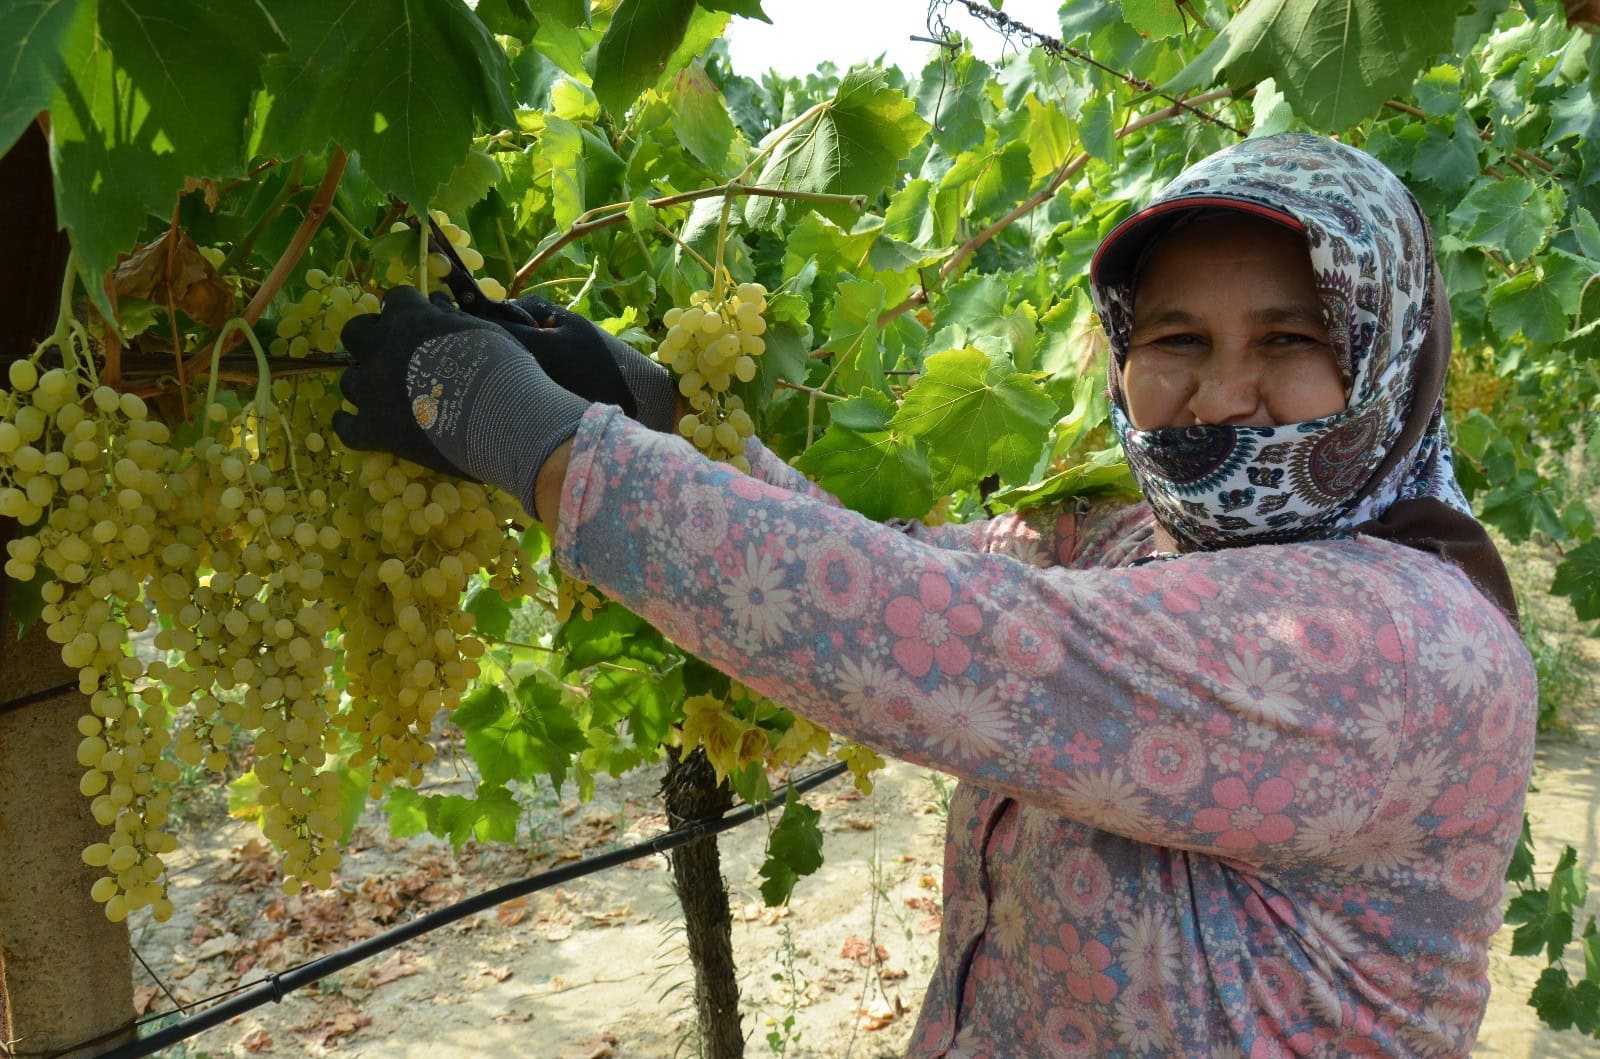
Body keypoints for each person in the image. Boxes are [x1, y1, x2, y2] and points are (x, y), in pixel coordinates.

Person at [336, 133, 1536, 1057]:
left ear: (1387, 353)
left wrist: (535, 438)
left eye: (1287, 339)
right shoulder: (1138, 550)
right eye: (1174, 337)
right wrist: (655, 406)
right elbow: (905, 563)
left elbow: (946, 644)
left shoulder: (1400, 648)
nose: (1222, 395)